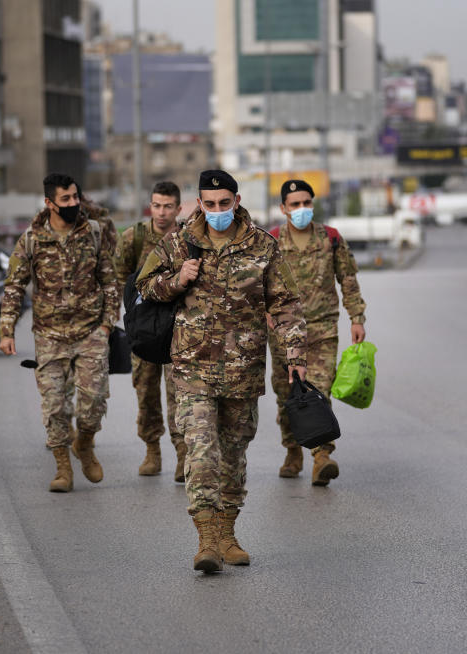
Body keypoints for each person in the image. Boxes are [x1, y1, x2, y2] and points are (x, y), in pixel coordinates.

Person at [137, 169, 306, 573]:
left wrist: (296, 356)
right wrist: (177, 280)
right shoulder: (179, 242)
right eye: (209, 205)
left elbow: (285, 304)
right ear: (199, 202)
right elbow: (144, 286)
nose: (216, 211)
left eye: (223, 204)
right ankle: (207, 540)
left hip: (242, 371)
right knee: (200, 453)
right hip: (191, 369)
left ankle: (229, 534)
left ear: (237, 200)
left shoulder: (263, 246)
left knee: (233, 455)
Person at [0, 173, 120, 493]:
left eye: (75, 197)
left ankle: (86, 443)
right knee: (55, 407)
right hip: (50, 335)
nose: (73, 204)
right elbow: (14, 285)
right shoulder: (32, 239)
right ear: (49, 203)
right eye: (65, 200)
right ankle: (63, 467)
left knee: (93, 402)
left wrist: (108, 323)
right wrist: (6, 330)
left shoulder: (93, 232)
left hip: (91, 331)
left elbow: (110, 280)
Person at [268, 179, 367, 486]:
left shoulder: (331, 238)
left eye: (306, 203)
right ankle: (293, 450)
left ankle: (321, 456)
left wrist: (357, 317)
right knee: (288, 394)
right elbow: (257, 283)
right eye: (295, 204)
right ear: (283, 208)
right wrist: (264, 312)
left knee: (318, 392)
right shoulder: (271, 241)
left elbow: (347, 279)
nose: (301, 209)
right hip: (284, 334)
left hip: (323, 327)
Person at [114, 181, 186, 479]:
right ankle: (152, 450)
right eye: (156, 205)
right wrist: (132, 313)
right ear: (150, 206)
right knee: (145, 391)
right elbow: (118, 277)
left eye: (168, 206)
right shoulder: (135, 237)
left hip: (176, 330)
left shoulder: (186, 238)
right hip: (143, 330)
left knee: (180, 394)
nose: (161, 211)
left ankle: (183, 456)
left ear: (178, 208)